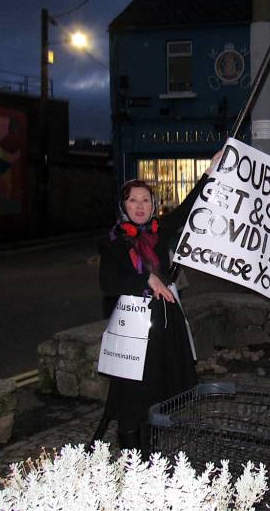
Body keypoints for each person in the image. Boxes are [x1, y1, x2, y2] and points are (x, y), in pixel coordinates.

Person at [98, 154, 218, 453]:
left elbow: (190, 206)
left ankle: (149, 457)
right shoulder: (113, 241)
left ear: (153, 205)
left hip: (161, 328)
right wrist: (147, 280)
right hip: (131, 333)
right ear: (123, 206)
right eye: (133, 200)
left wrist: (212, 170)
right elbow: (109, 284)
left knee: (155, 394)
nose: (140, 206)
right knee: (130, 396)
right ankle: (131, 457)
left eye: (146, 200)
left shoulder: (158, 233)